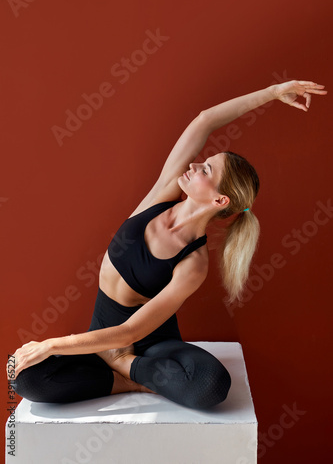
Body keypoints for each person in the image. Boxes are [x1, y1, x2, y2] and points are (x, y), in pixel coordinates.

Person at [7, 79, 327, 409]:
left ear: (219, 199)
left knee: (210, 384)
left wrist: (56, 345)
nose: (192, 165)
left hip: (146, 346)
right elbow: (204, 120)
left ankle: (126, 369)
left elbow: (130, 332)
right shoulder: (162, 196)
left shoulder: (194, 263)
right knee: (22, 374)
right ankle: (128, 383)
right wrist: (273, 93)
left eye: (205, 169)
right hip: (103, 336)